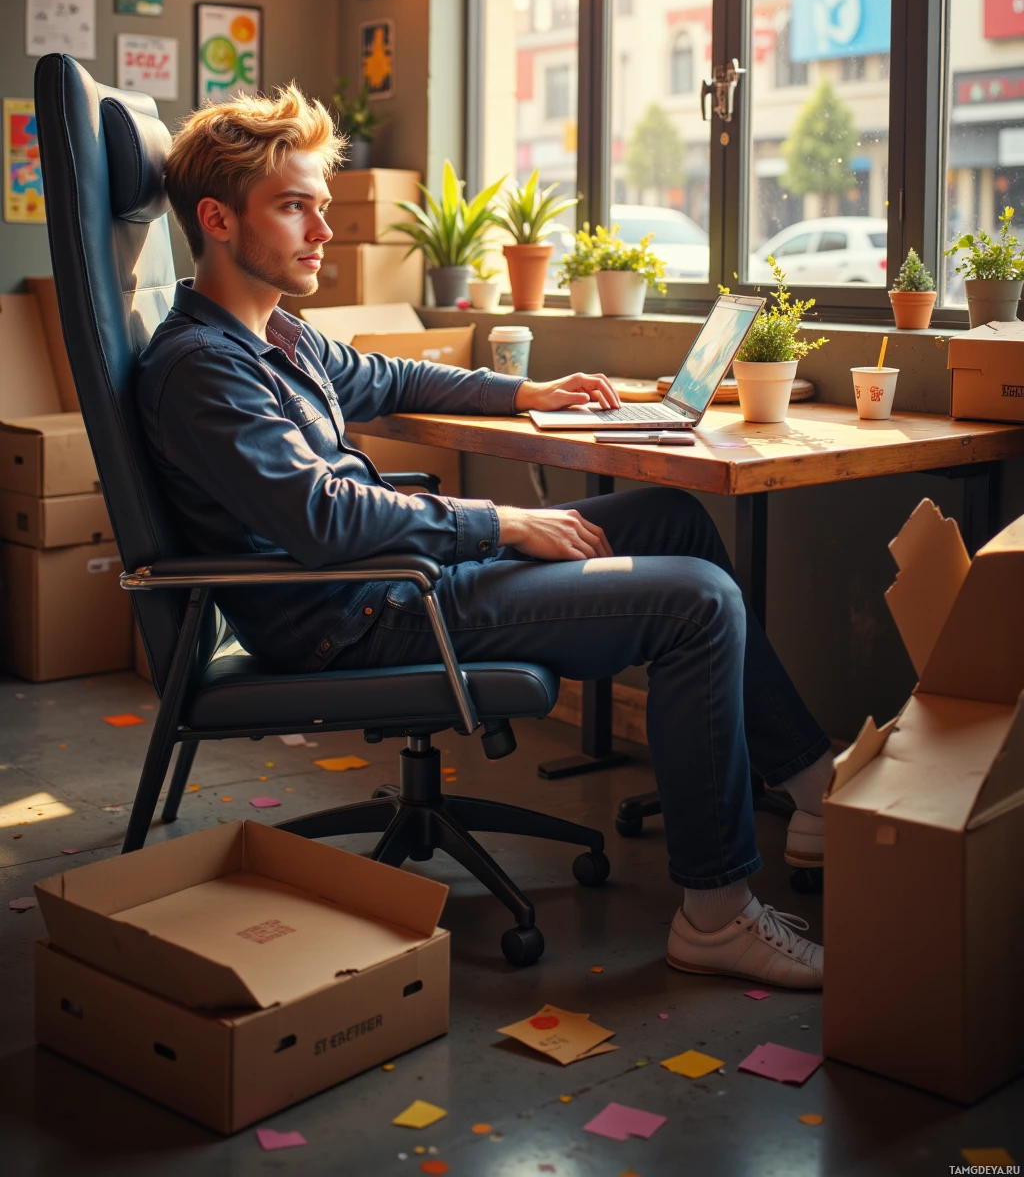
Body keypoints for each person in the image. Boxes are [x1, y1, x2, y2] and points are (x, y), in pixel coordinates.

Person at [138, 83, 833, 990]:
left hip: (393, 578)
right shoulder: (201, 368)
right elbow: (320, 518)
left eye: (323, 206)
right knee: (699, 604)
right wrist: (503, 522)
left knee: (670, 517)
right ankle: (716, 915)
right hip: (357, 615)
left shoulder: (278, 336)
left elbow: (385, 378)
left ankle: (817, 795)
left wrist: (527, 394)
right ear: (218, 220)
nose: (322, 231)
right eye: (295, 207)